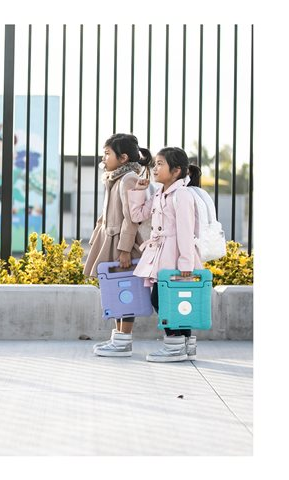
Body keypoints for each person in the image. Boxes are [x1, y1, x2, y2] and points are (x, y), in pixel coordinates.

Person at [128, 146, 203, 362]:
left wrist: (186, 266)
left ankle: (174, 345)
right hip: (161, 254)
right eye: (155, 164)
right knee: (173, 300)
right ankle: (185, 345)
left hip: (175, 257)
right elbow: (137, 215)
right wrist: (139, 190)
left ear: (176, 170)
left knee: (163, 299)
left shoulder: (182, 195)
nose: (154, 168)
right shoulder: (160, 193)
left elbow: (186, 232)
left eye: (160, 164)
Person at [83, 133, 152, 357]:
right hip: (110, 239)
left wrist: (124, 250)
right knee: (115, 290)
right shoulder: (114, 178)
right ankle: (118, 338)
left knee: (126, 290)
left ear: (123, 158)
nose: (103, 158)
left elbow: (130, 218)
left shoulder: (128, 179)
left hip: (122, 243)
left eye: (107, 153)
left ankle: (124, 341)